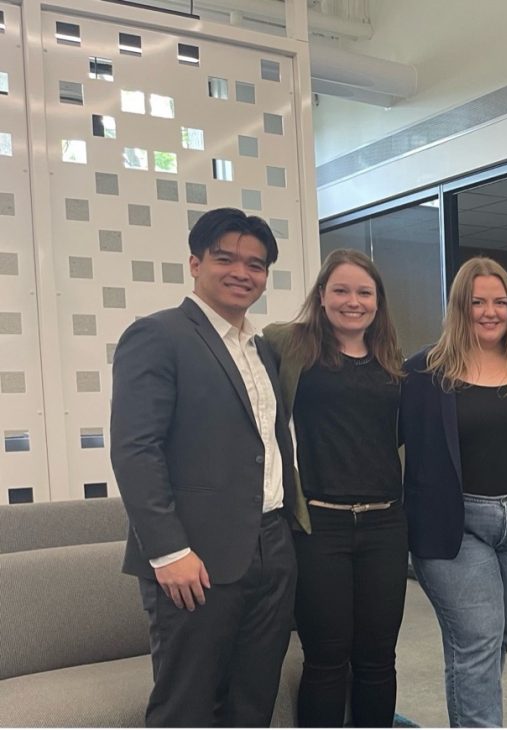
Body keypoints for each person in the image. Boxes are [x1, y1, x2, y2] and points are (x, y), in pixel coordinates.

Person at [110, 207, 297, 726]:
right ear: (195, 264)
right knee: (187, 706)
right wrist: (168, 551)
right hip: (194, 558)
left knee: (253, 701)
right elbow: (135, 449)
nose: (242, 272)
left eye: (255, 264)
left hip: (271, 548)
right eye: (225, 258)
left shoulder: (262, 349)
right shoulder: (158, 335)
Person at [400, 256, 507, 727]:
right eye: (477, 302)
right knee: (479, 640)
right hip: (455, 526)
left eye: (500, 302)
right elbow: (379, 441)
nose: (490, 312)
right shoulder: (423, 372)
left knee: (492, 640)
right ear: (459, 307)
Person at [262, 249, 407, 727]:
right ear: (321, 295)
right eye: (341, 290)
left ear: (378, 300)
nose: (353, 301)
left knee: (378, 658)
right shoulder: (290, 346)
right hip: (319, 525)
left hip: (385, 524)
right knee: (326, 658)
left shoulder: (392, 360)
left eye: (364, 292)